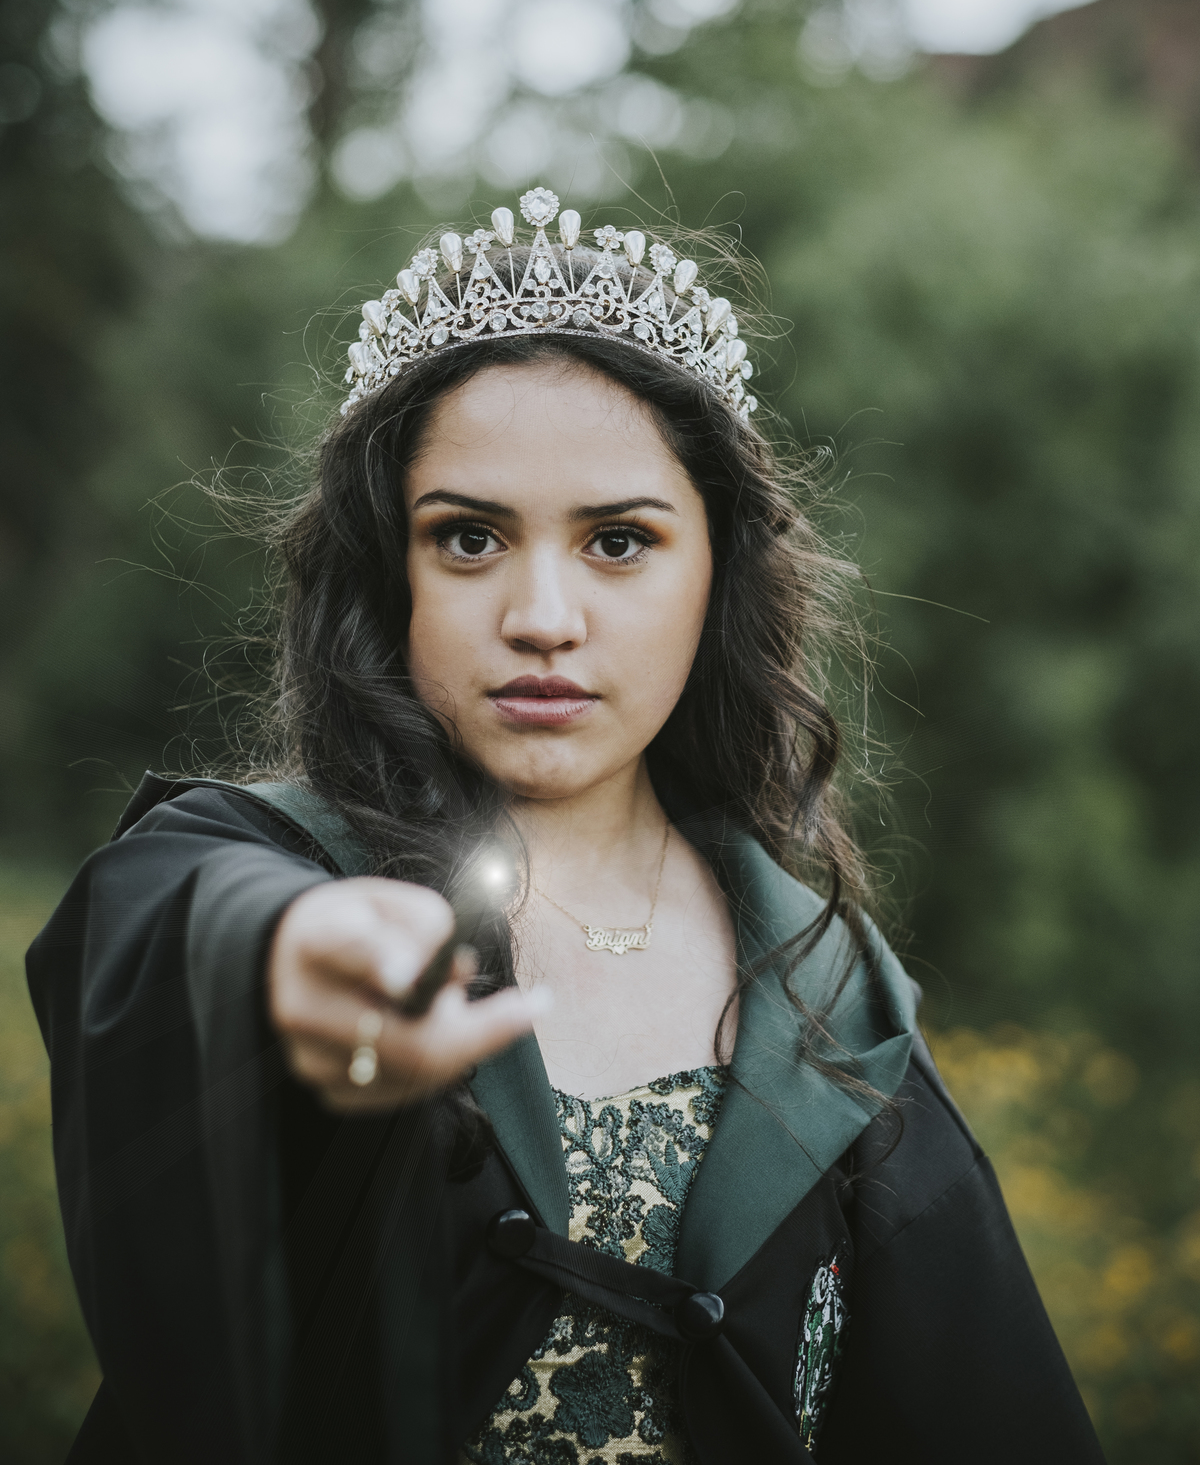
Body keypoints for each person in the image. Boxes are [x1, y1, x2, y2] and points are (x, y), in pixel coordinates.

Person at [27, 189, 1105, 1465]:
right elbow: (175, 920)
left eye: (619, 542)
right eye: (470, 538)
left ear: (719, 573)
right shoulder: (258, 864)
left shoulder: (829, 984)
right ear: (394, 575)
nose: (542, 615)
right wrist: (283, 956)